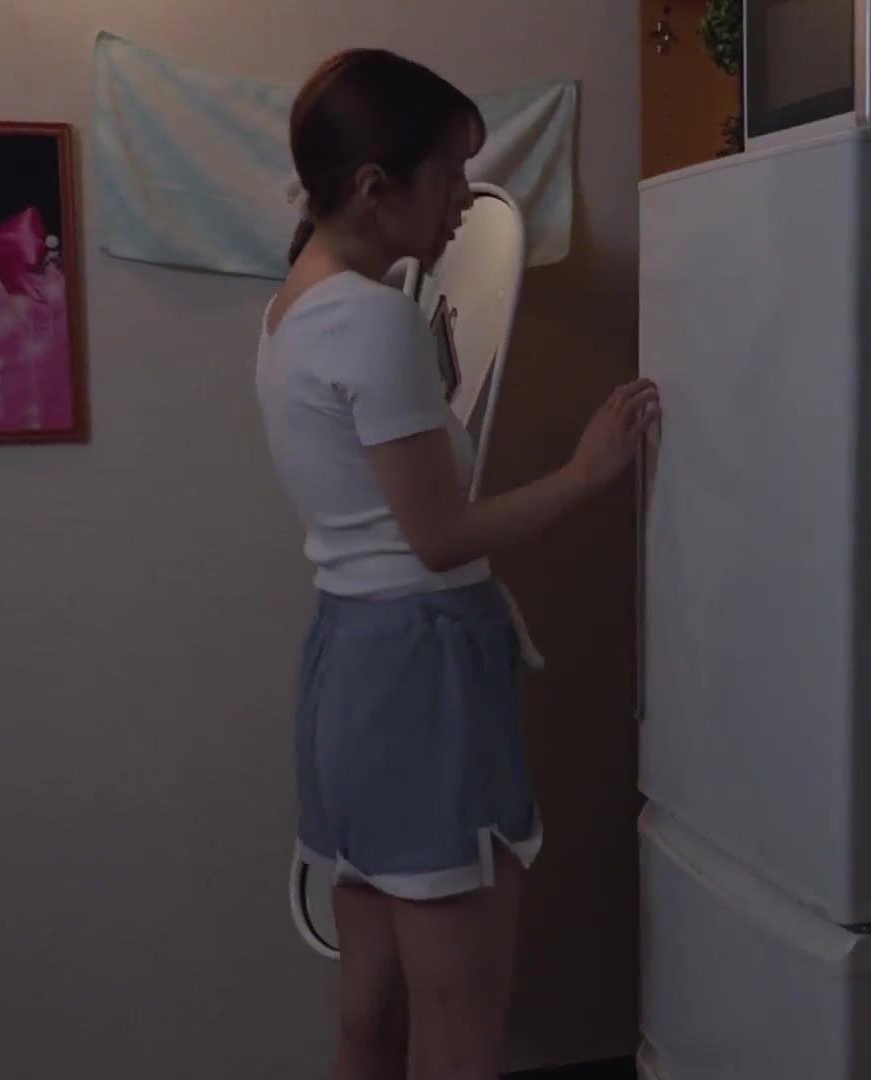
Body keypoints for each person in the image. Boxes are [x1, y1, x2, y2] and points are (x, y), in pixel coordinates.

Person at [255, 49, 660, 1080]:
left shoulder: (295, 304)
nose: (465, 201)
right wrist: (585, 474)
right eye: (449, 175)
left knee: (374, 1007)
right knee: (460, 1024)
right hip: (420, 674)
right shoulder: (370, 317)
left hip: (348, 668)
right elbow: (436, 537)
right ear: (374, 186)